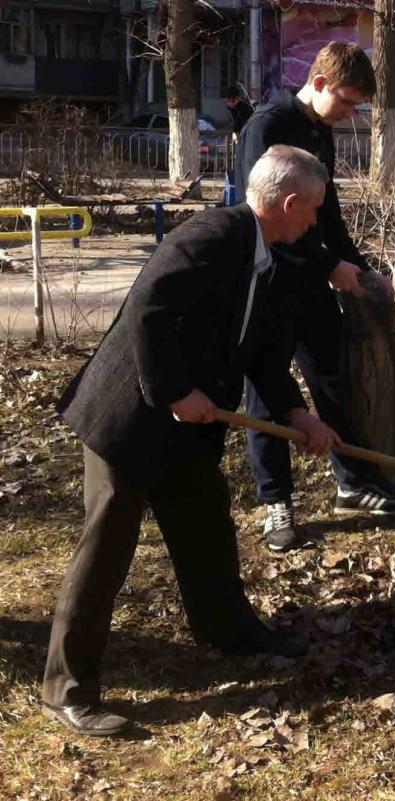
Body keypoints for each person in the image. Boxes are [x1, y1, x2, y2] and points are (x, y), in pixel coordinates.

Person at [42, 145, 338, 737]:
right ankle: (66, 687)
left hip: (191, 426)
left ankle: (227, 631)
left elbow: (263, 356)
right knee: (106, 549)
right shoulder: (212, 234)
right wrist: (176, 392)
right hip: (129, 418)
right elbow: (149, 307)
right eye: (312, 211)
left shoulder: (274, 258)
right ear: (286, 203)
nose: (314, 223)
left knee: (206, 525)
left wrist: (297, 414)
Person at [235, 42, 395, 553]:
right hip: (268, 281)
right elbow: (261, 213)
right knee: (268, 392)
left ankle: (351, 482)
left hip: (309, 281)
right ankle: (275, 506)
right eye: (349, 103)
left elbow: (327, 217)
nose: (352, 114)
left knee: (334, 376)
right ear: (321, 83)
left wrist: (360, 267)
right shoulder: (267, 126)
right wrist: (331, 264)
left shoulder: (320, 132)